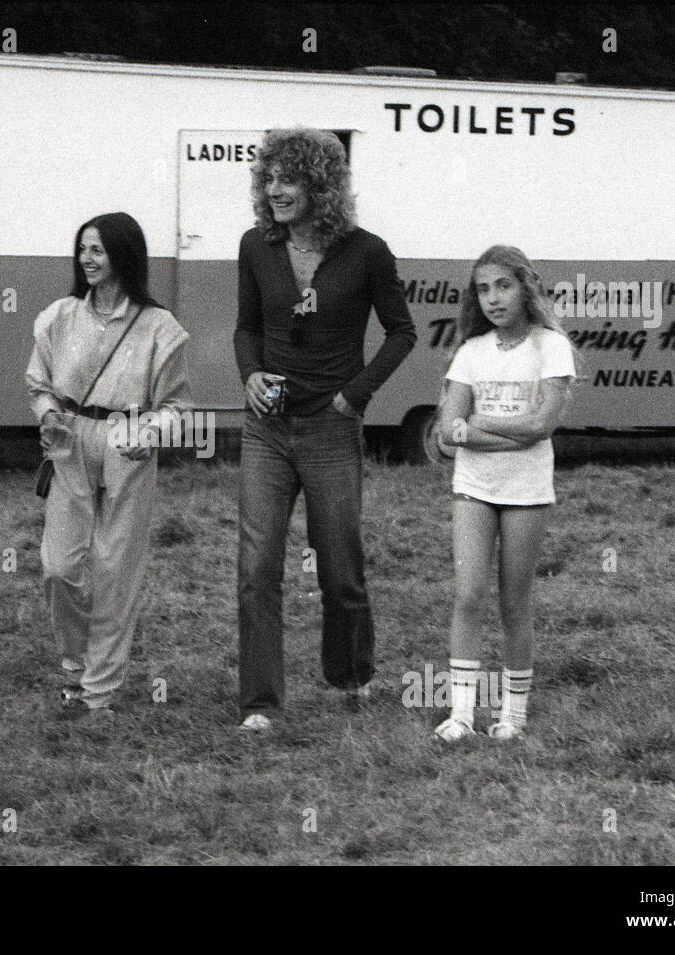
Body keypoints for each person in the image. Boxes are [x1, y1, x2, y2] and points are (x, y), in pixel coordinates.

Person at [234, 128, 418, 731]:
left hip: (331, 429)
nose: (275, 190)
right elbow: (246, 329)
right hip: (267, 429)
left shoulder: (368, 252)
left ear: (321, 185)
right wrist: (251, 374)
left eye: (289, 179)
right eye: (269, 179)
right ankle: (261, 703)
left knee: (339, 564)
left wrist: (354, 396)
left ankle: (350, 677)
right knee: (258, 566)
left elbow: (402, 331)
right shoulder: (256, 247)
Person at [26, 212, 193, 715]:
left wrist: (152, 433)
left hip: (128, 436)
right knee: (60, 565)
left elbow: (178, 406)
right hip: (71, 437)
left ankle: (99, 688)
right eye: (83, 250)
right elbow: (40, 383)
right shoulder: (59, 317)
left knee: (116, 566)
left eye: (97, 250)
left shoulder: (160, 327)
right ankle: (75, 663)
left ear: (123, 255)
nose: (87, 259)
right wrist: (49, 413)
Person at [433, 245, 577, 742]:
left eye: (503, 286)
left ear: (525, 287)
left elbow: (542, 425)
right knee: (468, 594)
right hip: (474, 488)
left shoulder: (550, 347)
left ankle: (512, 715)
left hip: (527, 490)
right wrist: (473, 431)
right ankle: (461, 715)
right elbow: (446, 434)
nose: (493, 298)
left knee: (514, 602)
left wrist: (479, 424)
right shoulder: (471, 352)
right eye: (483, 289)